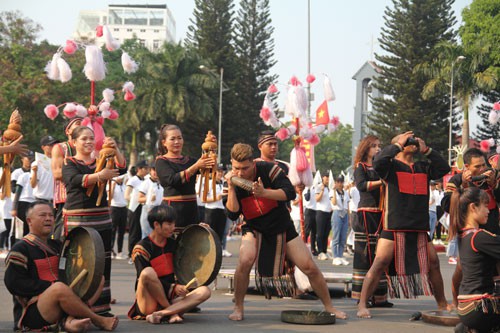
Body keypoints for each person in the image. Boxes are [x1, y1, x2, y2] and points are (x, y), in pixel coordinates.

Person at [225, 143, 347, 321]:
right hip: (253, 227)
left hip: (281, 225)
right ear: (231, 163)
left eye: (245, 168)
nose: (241, 173)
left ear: (254, 163)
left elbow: (290, 193)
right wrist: (232, 187)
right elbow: (233, 212)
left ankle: (329, 306)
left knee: (309, 267)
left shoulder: (269, 169)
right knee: (244, 260)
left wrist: (264, 192)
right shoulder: (234, 179)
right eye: (236, 168)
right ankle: (238, 307)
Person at [357, 131, 452, 318]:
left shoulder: (423, 167)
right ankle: (362, 304)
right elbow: (378, 162)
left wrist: (427, 150)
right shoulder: (390, 167)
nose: (412, 142)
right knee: (380, 263)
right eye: (408, 140)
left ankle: (442, 303)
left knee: (433, 263)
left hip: (419, 227)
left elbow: (444, 168)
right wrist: (398, 145)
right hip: (394, 225)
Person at [4, 201, 118, 332]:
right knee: (59, 288)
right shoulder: (20, 249)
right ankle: (98, 320)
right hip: (34, 310)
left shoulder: (57, 245)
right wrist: (50, 286)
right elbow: (14, 283)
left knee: (98, 279)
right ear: (29, 221)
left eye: (51, 215)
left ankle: (68, 321)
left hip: (61, 296)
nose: (48, 218)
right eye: (42, 215)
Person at [62, 126, 126, 315]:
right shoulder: (69, 162)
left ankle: (100, 307)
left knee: (102, 262)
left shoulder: (102, 160)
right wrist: (99, 176)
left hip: (101, 219)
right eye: (84, 139)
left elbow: (121, 168)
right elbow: (73, 180)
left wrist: (115, 149)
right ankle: (75, 307)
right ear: (74, 142)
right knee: (79, 262)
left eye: (91, 138)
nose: (89, 142)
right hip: (78, 218)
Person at [128, 204, 211, 324]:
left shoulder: (172, 243)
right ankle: (172, 312)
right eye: (169, 224)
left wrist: (200, 230)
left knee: (205, 291)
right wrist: (173, 288)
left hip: (171, 298)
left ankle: (162, 313)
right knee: (147, 272)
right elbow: (144, 279)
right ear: (156, 225)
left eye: (173, 223)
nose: (173, 227)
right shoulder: (141, 248)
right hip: (148, 302)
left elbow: (189, 238)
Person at [441, 147, 500, 306]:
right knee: (461, 268)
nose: (482, 169)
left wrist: (494, 185)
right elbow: (446, 205)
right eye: (477, 166)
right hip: (470, 232)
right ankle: (455, 302)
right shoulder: (457, 179)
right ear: (466, 167)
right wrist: (465, 185)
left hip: (493, 228)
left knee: (496, 267)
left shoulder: (493, 176)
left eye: (483, 165)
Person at [448, 187, 500, 332]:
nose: (489, 210)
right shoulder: (479, 237)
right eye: (485, 206)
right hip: (479, 307)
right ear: (473, 207)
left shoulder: (463, 235)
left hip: (465, 307)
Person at [352, 135, 390, 306]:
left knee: (380, 256)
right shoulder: (360, 167)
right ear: (366, 148)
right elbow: (361, 185)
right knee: (364, 255)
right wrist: (381, 182)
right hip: (365, 214)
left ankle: (379, 297)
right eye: (374, 146)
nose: (377, 149)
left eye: (379, 145)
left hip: (380, 213)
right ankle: (362, 298)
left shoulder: (379, 167)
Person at [155, 124, 215, 229]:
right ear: (164, 142)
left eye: (179, 138)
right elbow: (172, 180)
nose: (177, 142)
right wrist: (195, 166)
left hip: (191, 210)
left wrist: (211, 150)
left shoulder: (189, 160)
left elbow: (208, 170)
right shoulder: (161, 161)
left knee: (190, 240)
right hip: (172, 209)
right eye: (172, 139)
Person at [51, 117, 83, 239]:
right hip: (66, 197)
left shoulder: (86, 147)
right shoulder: (60, 148)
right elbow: (57, 174)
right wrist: (82, 176)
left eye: (82, 124)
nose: (81, 126)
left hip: (83, 197)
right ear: (68, 131)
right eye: (77, 124)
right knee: (61, 234)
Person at [125, 160, 150, 261]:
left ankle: (140, 253)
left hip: (143, 207)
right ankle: (131, 254)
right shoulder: (133, 180)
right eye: (145, 168)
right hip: (134, 208)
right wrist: (135, 200)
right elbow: (126, 195)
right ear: (139, 169)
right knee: (134, 232)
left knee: (142, 231)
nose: (147, 170)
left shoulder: (146, 180)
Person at [11, 152, 36, 236]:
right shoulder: (18, 173)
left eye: (32, 158)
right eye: (28, 158)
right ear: (22, 159)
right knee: (19, 230)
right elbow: (14, 190)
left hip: (33, 202)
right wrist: (14, 207)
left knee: (30, 228)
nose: (30, 160)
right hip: (22, 202)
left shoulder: (35, 173)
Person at [138, 162, 163, 239]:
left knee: (158, 236)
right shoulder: (146, 183)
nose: (155, 172)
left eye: (157, 170)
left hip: (160, 211)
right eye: (153, 170)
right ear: (150, 171)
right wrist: (149, 198)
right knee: (147, 236)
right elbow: (139, 199)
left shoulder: (162, 182)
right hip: (148, 210)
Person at [31, 135, 59, 204]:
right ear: (43, 147)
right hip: (41, 200)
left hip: (56, 201)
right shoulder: (37, 163)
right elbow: (33, 185)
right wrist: (34, 172)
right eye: (50, 145)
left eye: (55, 145)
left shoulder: (59, 162)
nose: (53, 147)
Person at [204, 167, 227, 243]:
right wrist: (216, 198)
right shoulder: (209, 183)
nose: (220, 174)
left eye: (221, 172)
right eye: (218, 172)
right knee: (211, 233)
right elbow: (203, 199)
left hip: (222, 210)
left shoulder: (224, 183)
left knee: (220, 233)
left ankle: (219, 251)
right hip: (211, 210)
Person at [330, 175, 350, 266]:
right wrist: (334, 190)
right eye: (338, 182)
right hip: (337, 213)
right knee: (336, 236)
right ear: (335, 182)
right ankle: (335, 256)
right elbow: (334, 202)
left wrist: (349, 217)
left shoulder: (345, 192)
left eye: (341, 182)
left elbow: (347, 205)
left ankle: (341, 256)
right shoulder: (332, 192)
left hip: (345, 214)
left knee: (343, 237)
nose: (340, 184)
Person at [109, 174, 128, 260]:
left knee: (122, 230)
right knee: (113, 230)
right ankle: (111, 249)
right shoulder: (111, 184)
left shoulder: (124, 185)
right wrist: (112, 186)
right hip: (114, 208)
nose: (121, 179)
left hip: (123, 208)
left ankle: (120, 251)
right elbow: (110, 197)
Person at [315, 172, 332, 260]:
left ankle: (325, 251)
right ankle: (320, 251)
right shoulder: (319, 186)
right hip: (321, 212)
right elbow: (317, 199)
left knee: (326, 233)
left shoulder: (329, 188)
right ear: (323, 177)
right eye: (326, 177)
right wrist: (321, 190)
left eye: (329, 177)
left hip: (328, 212)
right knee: (320, 233)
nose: (328, 179)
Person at [303, 184, 318, 255]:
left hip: (316, 210)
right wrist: (309, 189)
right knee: (307, 230)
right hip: (309, 210)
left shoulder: (317, 187)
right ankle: (304, 246)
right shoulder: (306, 188)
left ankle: (313, 249)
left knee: (314, 231)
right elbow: (307, 198)